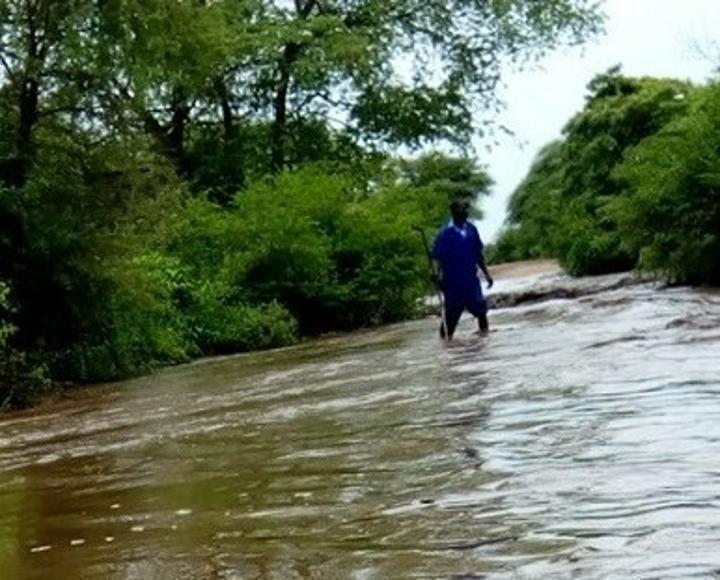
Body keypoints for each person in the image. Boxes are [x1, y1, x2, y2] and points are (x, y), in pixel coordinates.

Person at [431, 199, 494, 340]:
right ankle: (446, 345)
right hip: (452, 281)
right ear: (454, 212)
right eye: (462, 209)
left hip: (470, 279)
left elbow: (478, 255)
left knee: (480, 309)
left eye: (466, 209)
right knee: (451, 314)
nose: (465, 212)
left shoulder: (472, 230)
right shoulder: (445, 233)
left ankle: (485, 338)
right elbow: (437, 257)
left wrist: (487, 275)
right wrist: (436, 274)